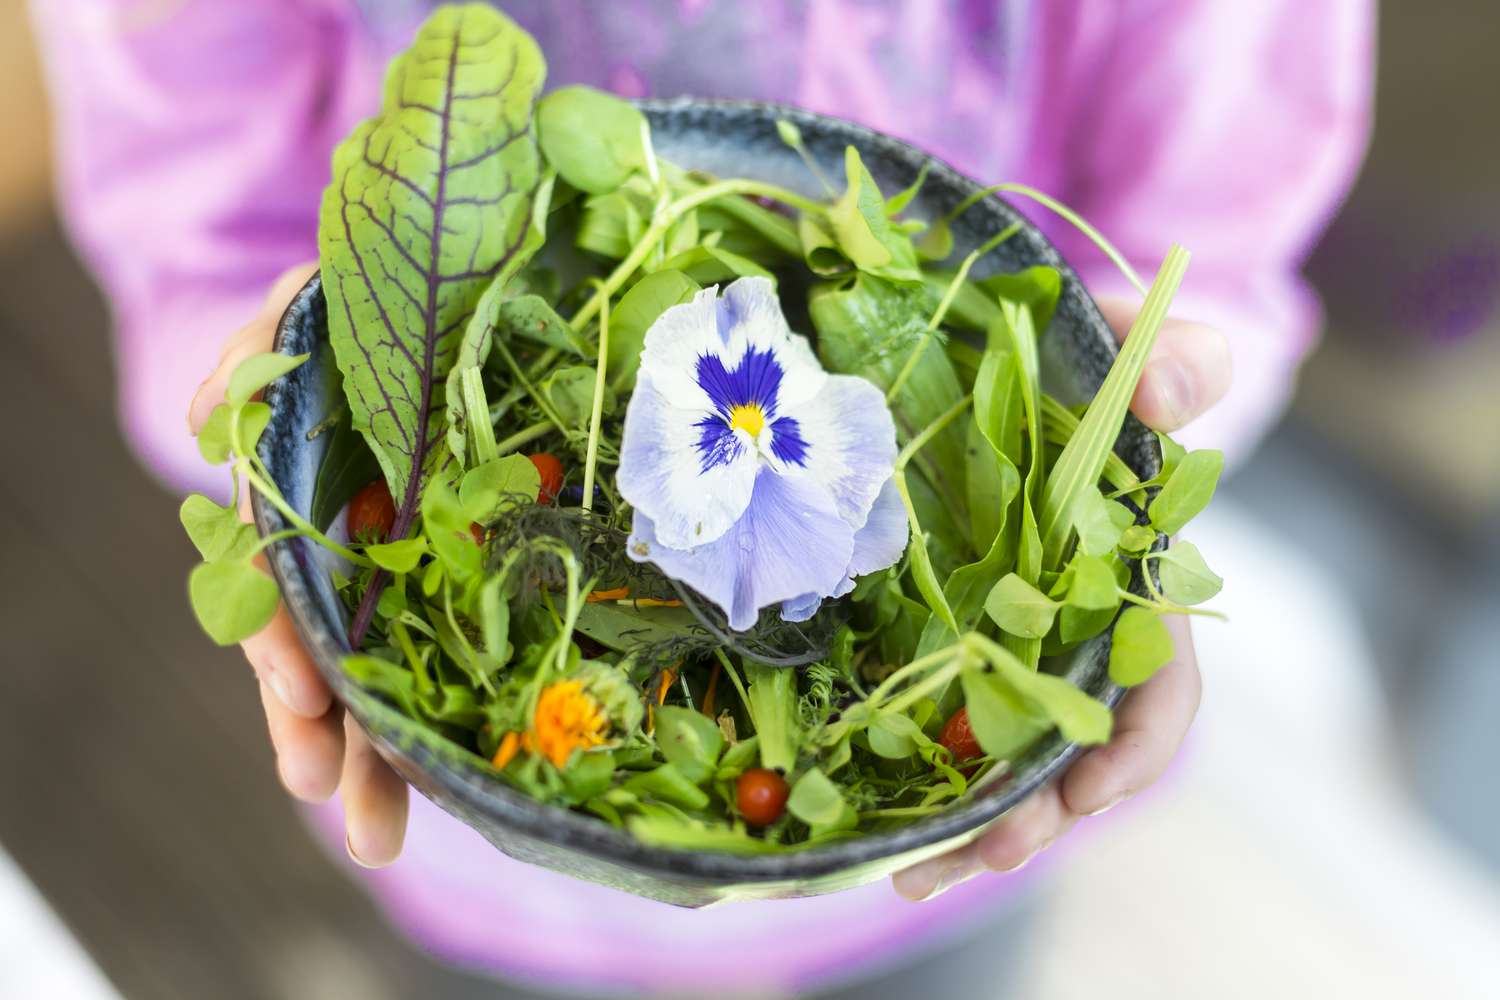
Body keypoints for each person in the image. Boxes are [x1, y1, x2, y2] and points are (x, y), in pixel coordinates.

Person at [31, 1, 1371, 995]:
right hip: (490, 835)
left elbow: (1219, 213)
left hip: (936, 841)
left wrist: (1141, 402)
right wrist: (291, 386)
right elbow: (194, 208)